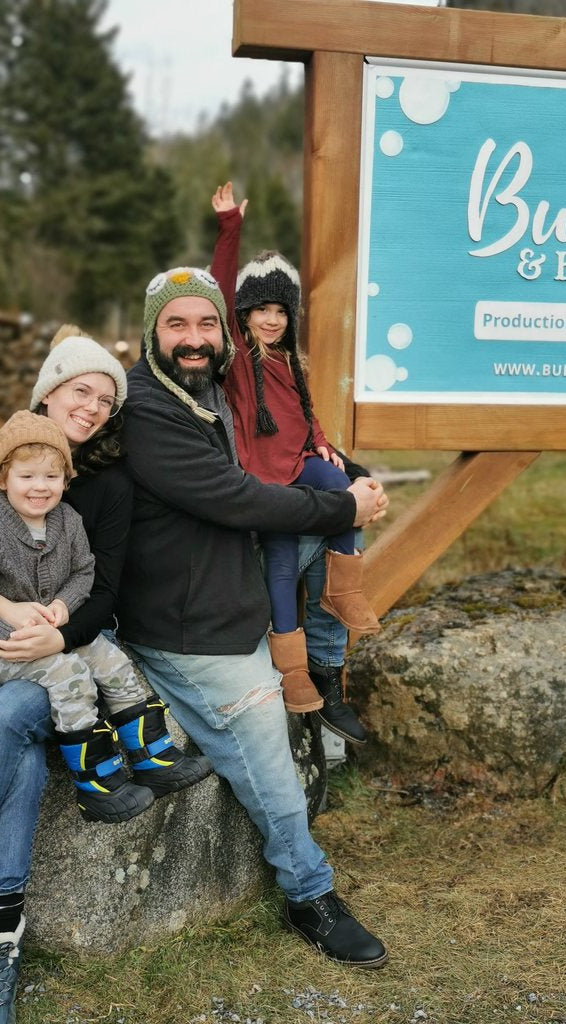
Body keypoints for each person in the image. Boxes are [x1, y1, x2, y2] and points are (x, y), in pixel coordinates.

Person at [0, 327, 210, 1023]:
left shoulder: (109, 488)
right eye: (79, 390)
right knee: (16, 739)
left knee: (6, 724)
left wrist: (56, 629)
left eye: (104, 399)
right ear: (49, 389)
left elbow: (105, 591)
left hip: (70, 646)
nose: (90, 407)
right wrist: (4, 615)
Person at [116, 263, 391, 968]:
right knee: (265, 734)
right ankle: (309, 890)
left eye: (206, 322)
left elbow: (289, 452)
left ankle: (323, 672)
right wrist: (343, 507)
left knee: (312, 547)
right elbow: (234, 497)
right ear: (152, 331)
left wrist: (349, 475)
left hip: (230, 595)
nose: (194, 337)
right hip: (189, 627)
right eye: (177, 323)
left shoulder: (214, 392)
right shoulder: (149, 408)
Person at [0, 408, 195, 824]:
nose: (39, 488)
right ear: (2, 478)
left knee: (112, 661)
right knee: (70, 677)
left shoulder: (68, 520)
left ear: (66, 478)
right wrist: (4, 632)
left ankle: (153, 758)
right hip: (5, 646)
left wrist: (64, 603)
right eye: (27, 477)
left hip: (56, 626)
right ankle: (96, 783)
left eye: (51, 476)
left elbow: (84, 571)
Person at [210, 182, 374, 744]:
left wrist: (326, 446)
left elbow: (306, 418)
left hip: (303, 466)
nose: (271, 320)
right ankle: (294, 669)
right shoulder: (236, 358)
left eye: (281, 310)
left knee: (342, 493)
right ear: (244, 315)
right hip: (265, 483)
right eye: (261, 310)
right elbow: (219, 288)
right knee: (281, 564)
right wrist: (230, 228)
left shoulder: (290, 361)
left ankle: (345, 588)